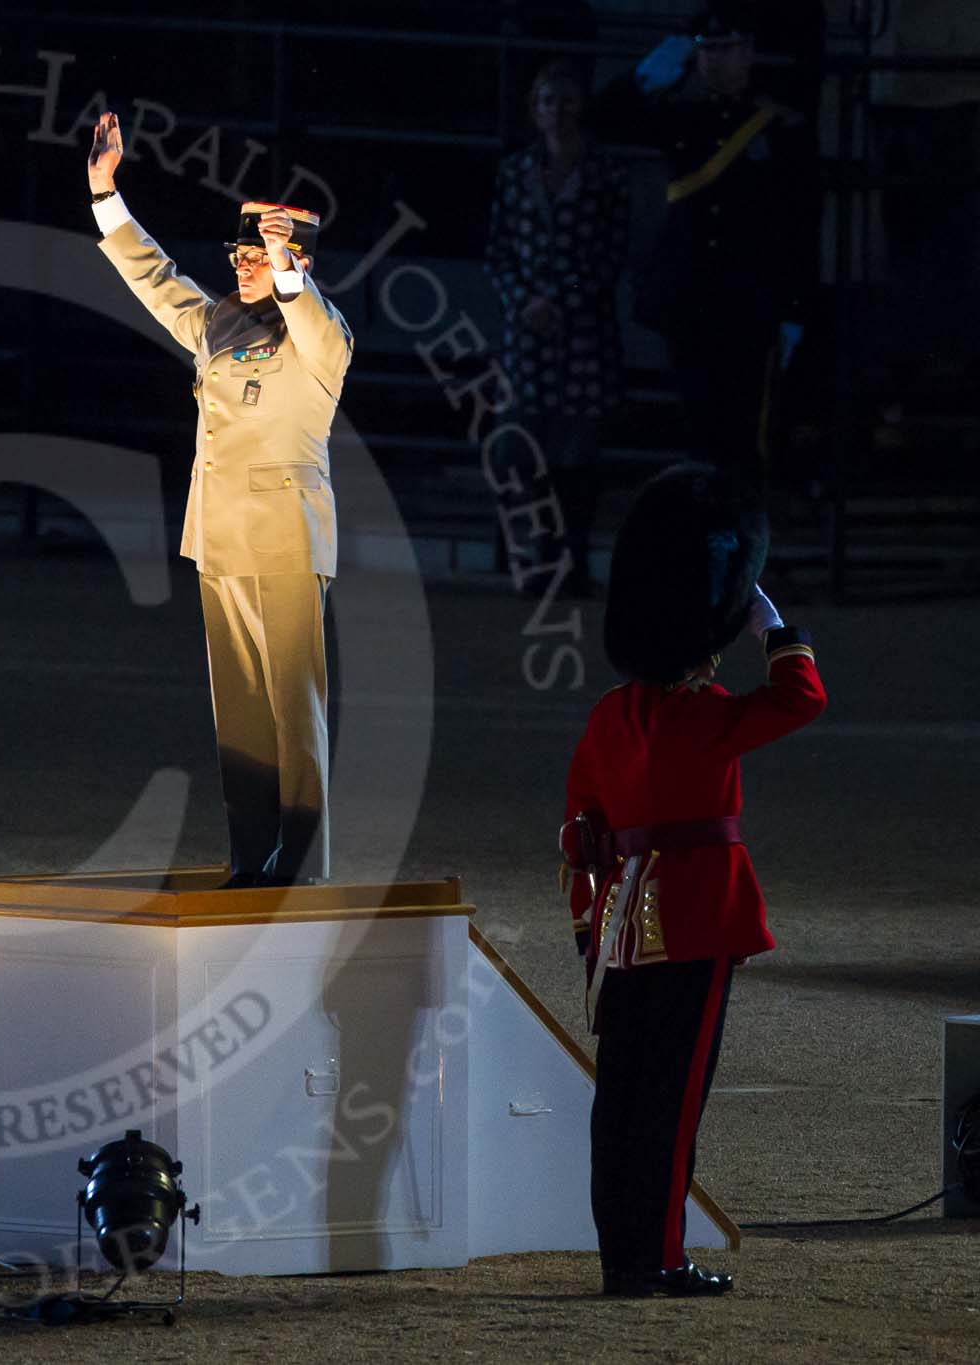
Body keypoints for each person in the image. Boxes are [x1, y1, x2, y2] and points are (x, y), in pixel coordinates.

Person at [558, 461, 826, 1296]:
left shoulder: (612, 715)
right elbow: (802, 696)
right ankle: (661, 1257)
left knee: (625, 1097)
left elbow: (580, 831)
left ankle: (621, 1255)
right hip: (699, 915)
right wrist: (772, 624)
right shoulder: (705, 717)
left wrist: (588, 932)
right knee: (673, 1104)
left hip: (622, 923)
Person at [85, 110, 354, 886]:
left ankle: (300, 865)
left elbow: (318, 326)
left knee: (293, 714)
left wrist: (289, 264)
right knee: (238, 714)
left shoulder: (320, 337)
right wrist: (107, 194)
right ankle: (252, 853)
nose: (242, 264)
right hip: (220, 537)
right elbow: (155, 277)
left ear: (292, 259)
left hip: (287, 539)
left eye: (258, 255)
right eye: (238, 252)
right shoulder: (217, 325)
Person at [598, 1, 820, 485]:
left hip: (749, 300)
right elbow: (604, 120)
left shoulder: (781, 129)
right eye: (708, 49)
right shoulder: (683, 116)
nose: (717, 59)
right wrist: (646, 76)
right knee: (699, 432)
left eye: (728, 48)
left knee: (744, 440)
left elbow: (798, 224)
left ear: (749, 52)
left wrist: (794, 307)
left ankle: (740, 549)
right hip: (691, 296)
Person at [485, 60, 631, 596]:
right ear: (535, 109)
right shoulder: (515, 172)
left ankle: (572, 556)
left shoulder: (605, 172)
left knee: (578, 448)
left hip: (583, 328)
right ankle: (541, 555)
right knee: (527, 447)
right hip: (528, 331)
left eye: (566, 101)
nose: (558, 112)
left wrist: (562, 300)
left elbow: (612, 252)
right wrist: (526, 302)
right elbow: (498, 251)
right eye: (549, 101)